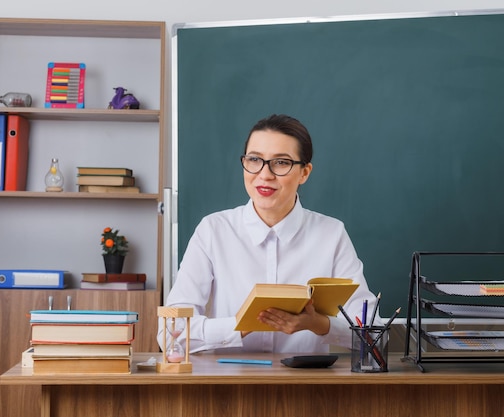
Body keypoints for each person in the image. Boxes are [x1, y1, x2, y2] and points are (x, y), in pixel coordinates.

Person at [159, 113, 379, 354]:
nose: (264, 174)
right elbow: (170, 334)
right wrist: (239, 325)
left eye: (281, 163)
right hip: (229, 386)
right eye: (255, 159)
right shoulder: (213, 230)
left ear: (304, 172)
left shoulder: (331, 234)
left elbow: (374, 334)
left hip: (307, 388)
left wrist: (319, 324)